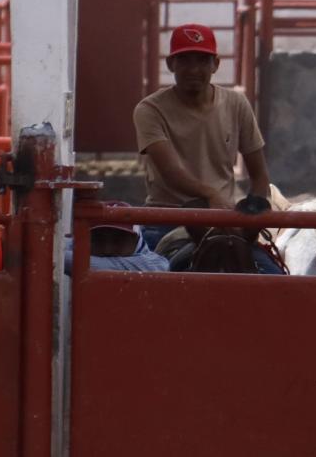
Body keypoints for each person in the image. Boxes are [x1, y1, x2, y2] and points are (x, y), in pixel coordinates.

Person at [134, 23, 272, 253]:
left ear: (215, 64)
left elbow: (259, 174)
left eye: (202, 60)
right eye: (185, 60)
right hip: (167, 218)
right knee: (148, 278)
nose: (193, 69)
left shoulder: (236, 104)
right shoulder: (150, 109)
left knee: (274, 279)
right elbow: (171, 172)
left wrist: (252, 214)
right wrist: (210, 194)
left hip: (224, 220)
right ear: (171, 64)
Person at [65, 220, 170, 274]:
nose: (107, 249)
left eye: (118, 240)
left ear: (136, 240)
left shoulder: (153, 264)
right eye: (99, 240)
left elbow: (60, 256)